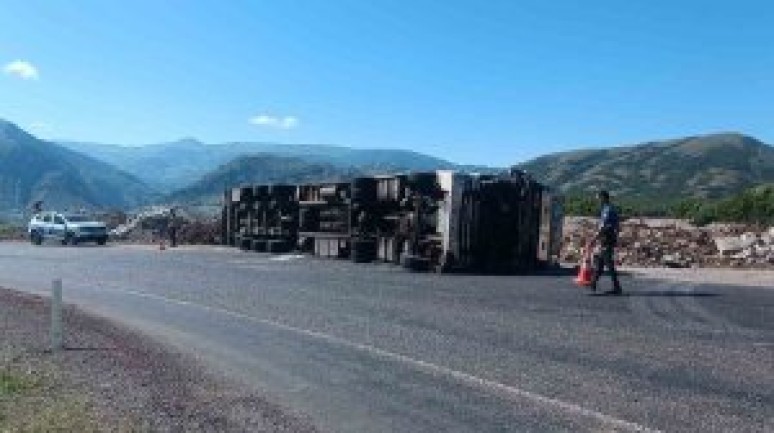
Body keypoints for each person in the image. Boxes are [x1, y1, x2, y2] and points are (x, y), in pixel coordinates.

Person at [590, 190, 622, 294]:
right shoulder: (611, 209)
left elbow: (603, 226)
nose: (597, 201)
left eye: (598, 198)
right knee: (601, 261)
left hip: (607, 238)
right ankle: (593, 283)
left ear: (603, 198)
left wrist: (594, 239)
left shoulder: (607, 210)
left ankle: (616, 287)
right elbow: (617, 226)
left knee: (608, 263)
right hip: (608, 238)